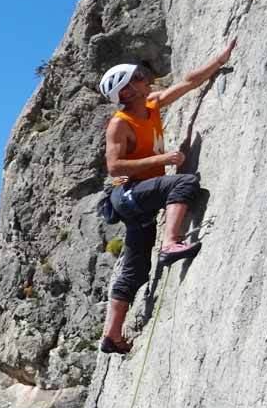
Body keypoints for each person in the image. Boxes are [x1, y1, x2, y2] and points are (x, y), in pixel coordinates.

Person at [96, 39, 236, 354]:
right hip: (126, 192)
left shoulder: (151, 105)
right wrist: (163, 160)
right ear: (127, 91)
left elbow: (189, 83)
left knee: (136, 270)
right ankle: (171, 243)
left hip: (139, 199)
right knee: (183, 184)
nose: (145, 79)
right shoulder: (120, 124)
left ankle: (112, 336)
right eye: (138, 78)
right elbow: (114, 166)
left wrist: (219, 59)